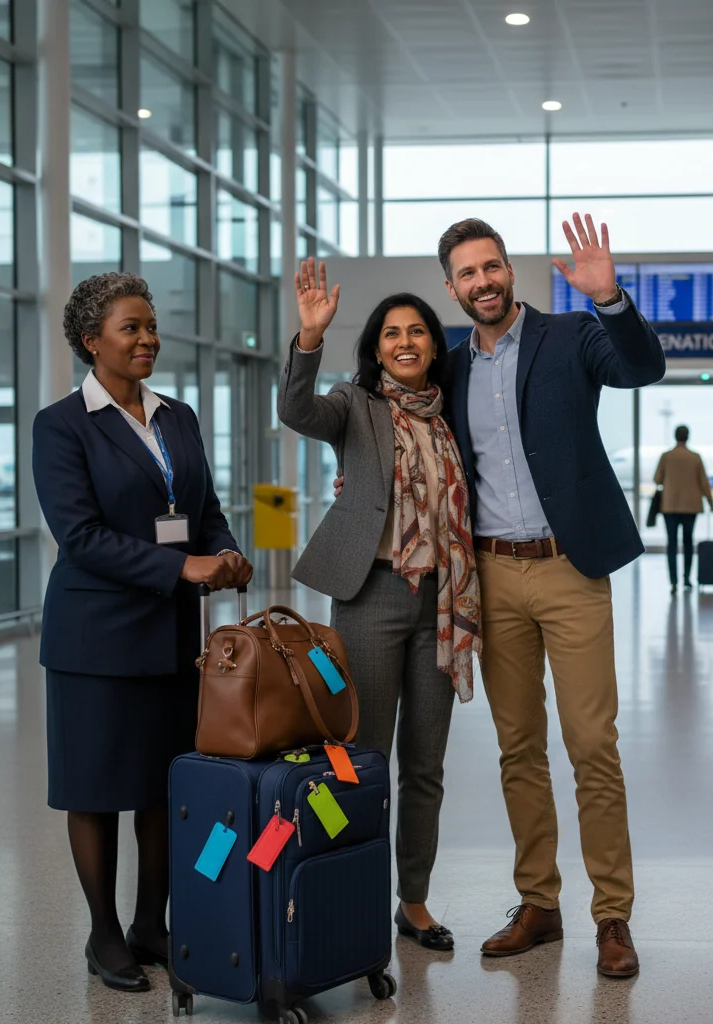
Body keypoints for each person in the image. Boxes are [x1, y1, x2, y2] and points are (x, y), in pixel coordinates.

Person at [441, 214, 664, 977]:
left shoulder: (569, 335)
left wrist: (610, 298)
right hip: (493, 572)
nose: (484, 281)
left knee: (593, 746)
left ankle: (613, 915)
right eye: (468, 273)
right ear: (453, 287)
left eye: (492, 266)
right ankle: (538, 901)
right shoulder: (447, 362)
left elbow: (643, 369)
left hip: (571, 567)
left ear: (510, 270)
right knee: (518, 747)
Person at [33, 273, 252, 993]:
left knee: (165, 790)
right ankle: (103, 934)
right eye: (131, 327)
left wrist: (221, 553)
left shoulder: (177, 418)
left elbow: (202, 508)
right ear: (92, 342)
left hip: (169, 638)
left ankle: (150, 923)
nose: (148, 338)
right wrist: (182, 565)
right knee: (96, 791)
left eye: (151, 325)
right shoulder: (62, 426)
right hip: (95, 642)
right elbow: (82, 537)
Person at [277, 259, 480, 953]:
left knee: (425, 765)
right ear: (375, 348)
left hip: (444, 603)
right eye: (392, 332)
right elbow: (296, 411)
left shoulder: (453, 412)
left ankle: (413, 902)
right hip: (372, 594)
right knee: (359, 758)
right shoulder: (353, 406)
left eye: (417, 331)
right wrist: (309, 339)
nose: (405, 341)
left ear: (433, 343)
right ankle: (349, 889)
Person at [653, 425, 713, 594]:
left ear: (675, 436)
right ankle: (687, 578)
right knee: (688, 542)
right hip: (690, 507)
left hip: (670, 506)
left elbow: (657, 479)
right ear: (688, 437)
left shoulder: (666, 456)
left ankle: (673, 582)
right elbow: (704, 482)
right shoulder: (695, 457)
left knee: (671, 543)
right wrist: (711, 503)